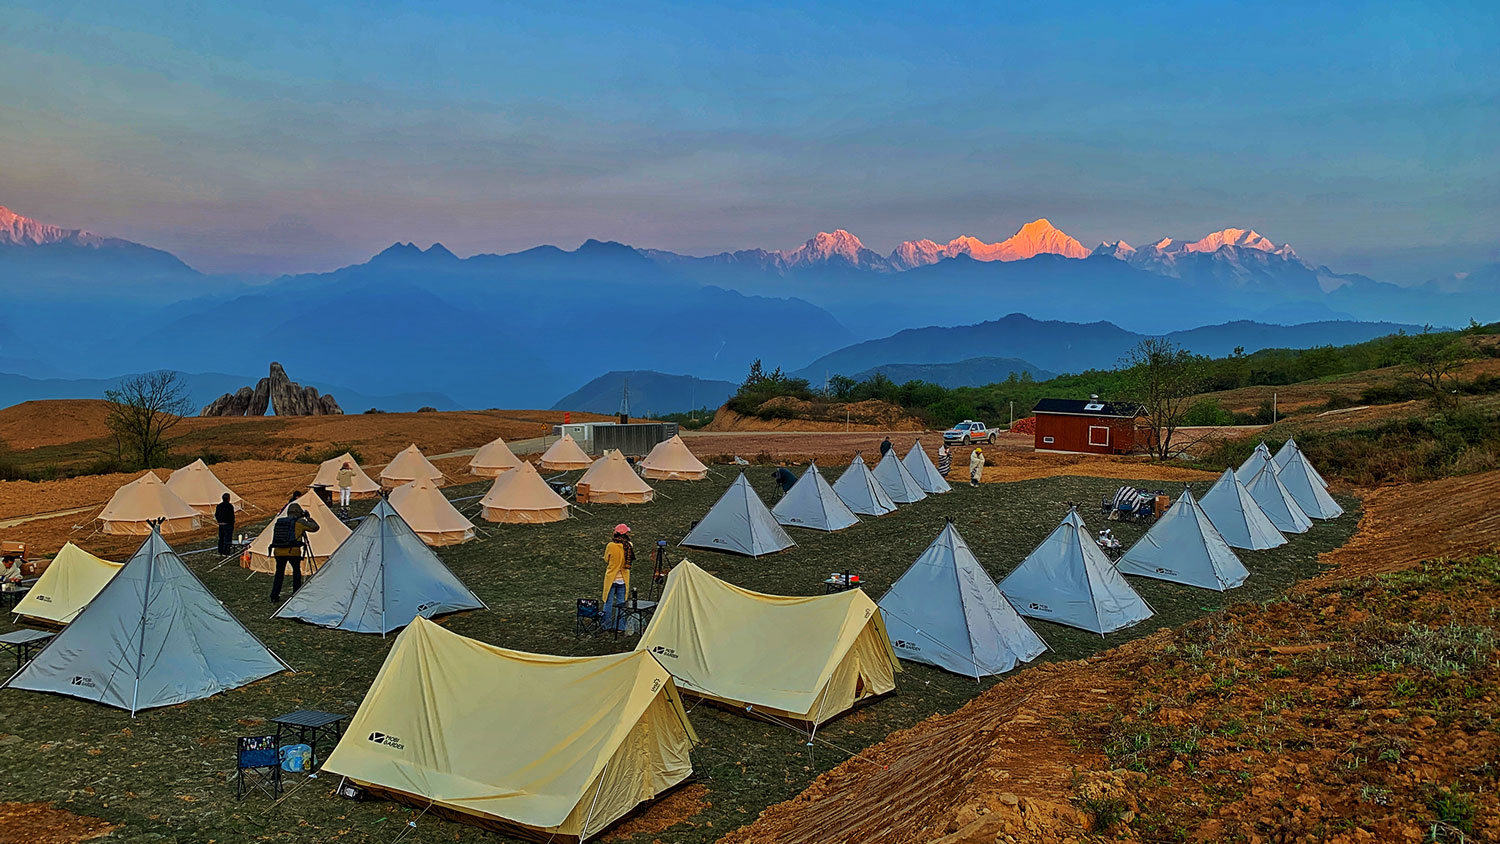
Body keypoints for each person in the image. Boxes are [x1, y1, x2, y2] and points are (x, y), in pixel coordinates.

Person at [269, 503, 319, 604]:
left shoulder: (280, 521)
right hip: (293, 551)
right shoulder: (299, 522)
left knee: (279, 574)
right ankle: (296, 593)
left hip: (278, 551)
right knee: (296, 572)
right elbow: (315, 528)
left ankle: (274, 595)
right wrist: (308, 518)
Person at [601, 524, 634, 633]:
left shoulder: (611, 546)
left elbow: (606, 559)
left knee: (608, 603)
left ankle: (606, 625)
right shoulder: (629, 545)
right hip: (623, 579)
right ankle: (620, 626)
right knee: (621, 604)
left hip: (612, 579)